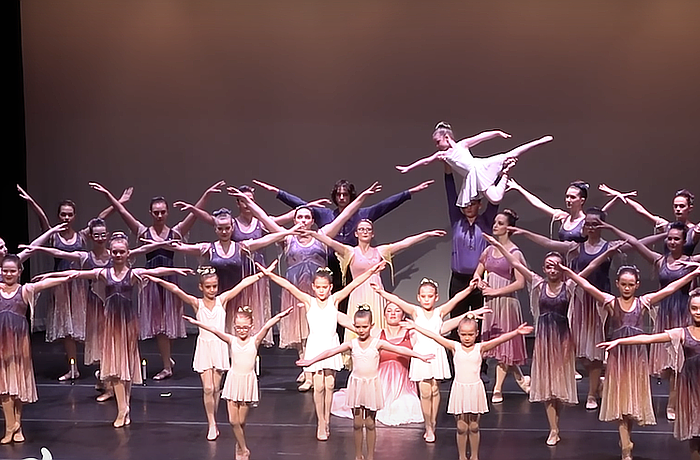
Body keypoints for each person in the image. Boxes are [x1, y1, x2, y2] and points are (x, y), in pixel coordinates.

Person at [229, 182, 382, 391]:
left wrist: (363, 196)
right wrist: (247, 201)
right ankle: (308, 371)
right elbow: (264, 218)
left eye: (306, 217)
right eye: (299, 217)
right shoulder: (287, 238)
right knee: (300, 332)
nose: (302, 220)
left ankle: (313, 370)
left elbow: (345, 215)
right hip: (296, 291)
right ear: (294, 220)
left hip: (318, 292)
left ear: (312, 220)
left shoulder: (322, 235)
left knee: (315, 331)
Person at [484, 233, 623, 446]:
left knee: (559, 388)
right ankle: (553, 429)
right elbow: (516, 264)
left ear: (562, 269)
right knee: (548, 388)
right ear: (544, 268)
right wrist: (498, 245)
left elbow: (591, 267)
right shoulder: (539, 284)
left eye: (556, 266)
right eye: (549, 266)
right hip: (544, 341)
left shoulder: (569, 285)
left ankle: (556, 425)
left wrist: (608, 252)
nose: (552, 270)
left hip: (563, 340)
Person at [54, 232, 193, 427]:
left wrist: (177, 270)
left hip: (127, 324)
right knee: (115, 366)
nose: (118, 255)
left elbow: (157, 271)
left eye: (121, 252)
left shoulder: (133, 274)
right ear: (110, 253)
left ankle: (124, 407)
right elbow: (75, 274)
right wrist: (50, 276)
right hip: (111, 323)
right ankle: (123, 408)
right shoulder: (104, 273)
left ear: (128, 253)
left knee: (125, 365)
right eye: (115, 252)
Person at [563, 263, 700, 460]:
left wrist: (693, 274)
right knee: (619, 397)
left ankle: (627, 436)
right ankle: (626, 446)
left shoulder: (643, 302)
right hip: (618, 356)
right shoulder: (611, 302)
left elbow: (670, 289)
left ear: (637, 285)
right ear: (617, 284)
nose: (627, 288)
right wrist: (569, 273)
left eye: (630, 284)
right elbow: (587, 286)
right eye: (623, 284)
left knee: (632, 396)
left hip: (636, 356)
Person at [89, 180, 224, 379]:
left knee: (169, 324)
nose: (159, 215)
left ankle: (167, 359)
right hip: (151, 281)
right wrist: (109, 195)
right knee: (160, 325)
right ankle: (167, 365)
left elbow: (194, 215)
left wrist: (207, 194)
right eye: (156, 212)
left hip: (170, 279)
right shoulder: (143, 232)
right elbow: (122, 212)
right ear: (151, 213)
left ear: (167, 213)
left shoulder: (175, 232)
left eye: (162, 212)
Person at [143, 261, 277, 441]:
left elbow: (242, 284)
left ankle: (213, 417)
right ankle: (212, 423)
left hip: (220, 346)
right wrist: (157, 280)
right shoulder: (197, 303)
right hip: (205, 347)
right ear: (201, 287)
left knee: (215, 388)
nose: (212, 290)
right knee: (208, 388)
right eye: (208, 287)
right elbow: (176, 290)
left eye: (215, 286)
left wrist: (262, 274)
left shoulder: (222, 300)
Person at [257, 260, 386, 441]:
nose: (321, 290)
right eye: (318, 287)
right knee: (318, 386)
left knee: (330, 385)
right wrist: (268, 274)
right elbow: (288, 285)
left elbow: (354, 284)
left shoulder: (335, 300)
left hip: (331, 344)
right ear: (313, 287)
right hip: (315, 345)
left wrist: (371, 271)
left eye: (324, 287)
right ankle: (321, 421)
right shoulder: (309, 301)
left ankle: (327, 419)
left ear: (330, 287)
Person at [296, 306, 434, 460]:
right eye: (358, 327)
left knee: (370, 423)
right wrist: (311, 361)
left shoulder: (378, 343)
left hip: (372, 385)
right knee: (357, 424)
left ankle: (370, 456)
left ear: (371, 326)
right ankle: (358, 455)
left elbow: (400, 350)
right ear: (354, 326)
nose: (361, 330)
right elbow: (330, 351)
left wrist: (420, 356)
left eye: (365, 327)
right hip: (357, 385)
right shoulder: (352, 344)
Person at [598, 219, 700, 420]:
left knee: (680, 361)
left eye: (676, 239)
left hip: (683, 311)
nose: (672, 242)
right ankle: (675, 400)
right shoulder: (660, 260)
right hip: (665, 312)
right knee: (667, 364)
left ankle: (673, 404)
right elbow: (635, 243)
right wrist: (611, 228)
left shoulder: (692, 260)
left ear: (684, 241)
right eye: (669, 238)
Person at [403, 314, 533, 460]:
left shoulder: (480, 348)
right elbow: (434, 336)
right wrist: (416, 327)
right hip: (460, 390)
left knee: (474, 426)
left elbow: (499, 340)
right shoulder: (455, 347)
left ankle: (475, 456)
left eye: (470, 334)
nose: (467, 338)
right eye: (463, 334)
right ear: (458, 333)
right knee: (461, 427)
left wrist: (516, 332)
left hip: (475, 390)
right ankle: (462, 456)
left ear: (476, 333)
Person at [370, 277, 484, 442]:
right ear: (418, 297)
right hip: (421, 353)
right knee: (424, 392)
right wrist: (381, 292)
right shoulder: (415, 311)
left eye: (430, 296)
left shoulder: (440, 312)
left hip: (436, 353)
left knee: (435, 390)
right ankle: (428, 426)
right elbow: (398, 300)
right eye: (423, 296)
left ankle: (433, 422)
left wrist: (469, 289)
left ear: (436, 297)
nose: (426, 299)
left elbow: (456, 299)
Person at [157, 207, 300, 336]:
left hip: (238, 295)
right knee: (219, 330)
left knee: (239, 329)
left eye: (227, 228)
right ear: (215, 229)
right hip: (217, 297)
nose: (224, 232)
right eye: (220, 229)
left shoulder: (241, 247)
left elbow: (266, 239)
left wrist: (288, 232)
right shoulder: (209, 248)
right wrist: (156, 244)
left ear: (232, 228)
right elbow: (180, 247)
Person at [598, 289, 700, 460]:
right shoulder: (682, 332)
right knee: (695, 433)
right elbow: (647, 338)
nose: (698, 312)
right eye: (694, 308)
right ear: (689, 309)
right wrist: (619, 340)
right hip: (691, 386)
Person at [184, 304, 294, 460]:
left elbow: (268, 325)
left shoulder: (255, 340)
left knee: (241, 421)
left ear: (251, 327)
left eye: (245, 327)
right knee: (232, 420)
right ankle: (244, 449)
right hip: (233, 382)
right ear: (234, 327)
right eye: (239, 327)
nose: (242, 330)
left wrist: (282, 315)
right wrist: (196, 323)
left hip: (247, 383)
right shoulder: (232, 340)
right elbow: (214, 330)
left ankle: (239, 446)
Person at [302, 221, 446, 336]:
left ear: (372, 233)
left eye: (368, 229)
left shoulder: (379, 251)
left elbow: (404, 243)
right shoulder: (350, 251)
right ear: (356, 233)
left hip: (376, 292)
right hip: (358, 292)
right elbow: (330, 242)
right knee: (358, 324)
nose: (365, 232)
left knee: (376, 323)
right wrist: (313, 234)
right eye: (361, 229)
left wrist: (426, 234)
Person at [0, 254, 75, 444]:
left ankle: (18, 426)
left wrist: (67, 277)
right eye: (5, 271)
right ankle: (10, 426)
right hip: (2, 343)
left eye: (12, 271)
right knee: (4, 385)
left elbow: (46, 284)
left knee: (17, 384)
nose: (8, 274)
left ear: (19, 272)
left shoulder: (25, 289)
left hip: (19, 342)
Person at [396, 121, 552, 205]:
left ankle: (538, 142)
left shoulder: (462, 144)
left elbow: (481, 136)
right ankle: (505, 173)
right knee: (495, 199)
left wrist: (497, 133)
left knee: (509, 155)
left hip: (479, 167)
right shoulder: (442, 155)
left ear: (446, 138)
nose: (437, 146)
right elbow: (425, 161)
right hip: (473, 177)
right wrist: (408, 168)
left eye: (438, 142)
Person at [471, 209, 530, 403]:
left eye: (500, 223)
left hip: (506, 302)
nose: (495, 226)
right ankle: (522, 380)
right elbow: (477, 273)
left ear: (509, 228)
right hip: (491, 302)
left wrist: (495, 291)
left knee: (505, 345)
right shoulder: (488, 250)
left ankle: (497, 389)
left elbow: (520, 283)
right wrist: (480, 282)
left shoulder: (515, 253)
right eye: (495, 222)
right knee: (497, 345)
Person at [600, 185, 699, 254]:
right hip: (666, 268)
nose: (678, 209)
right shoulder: (667, 226)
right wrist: (619, 195)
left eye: (682, 206)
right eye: (675, 206)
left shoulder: (694, 230)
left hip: (686, 270)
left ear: (690, 208)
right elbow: (641, 211)